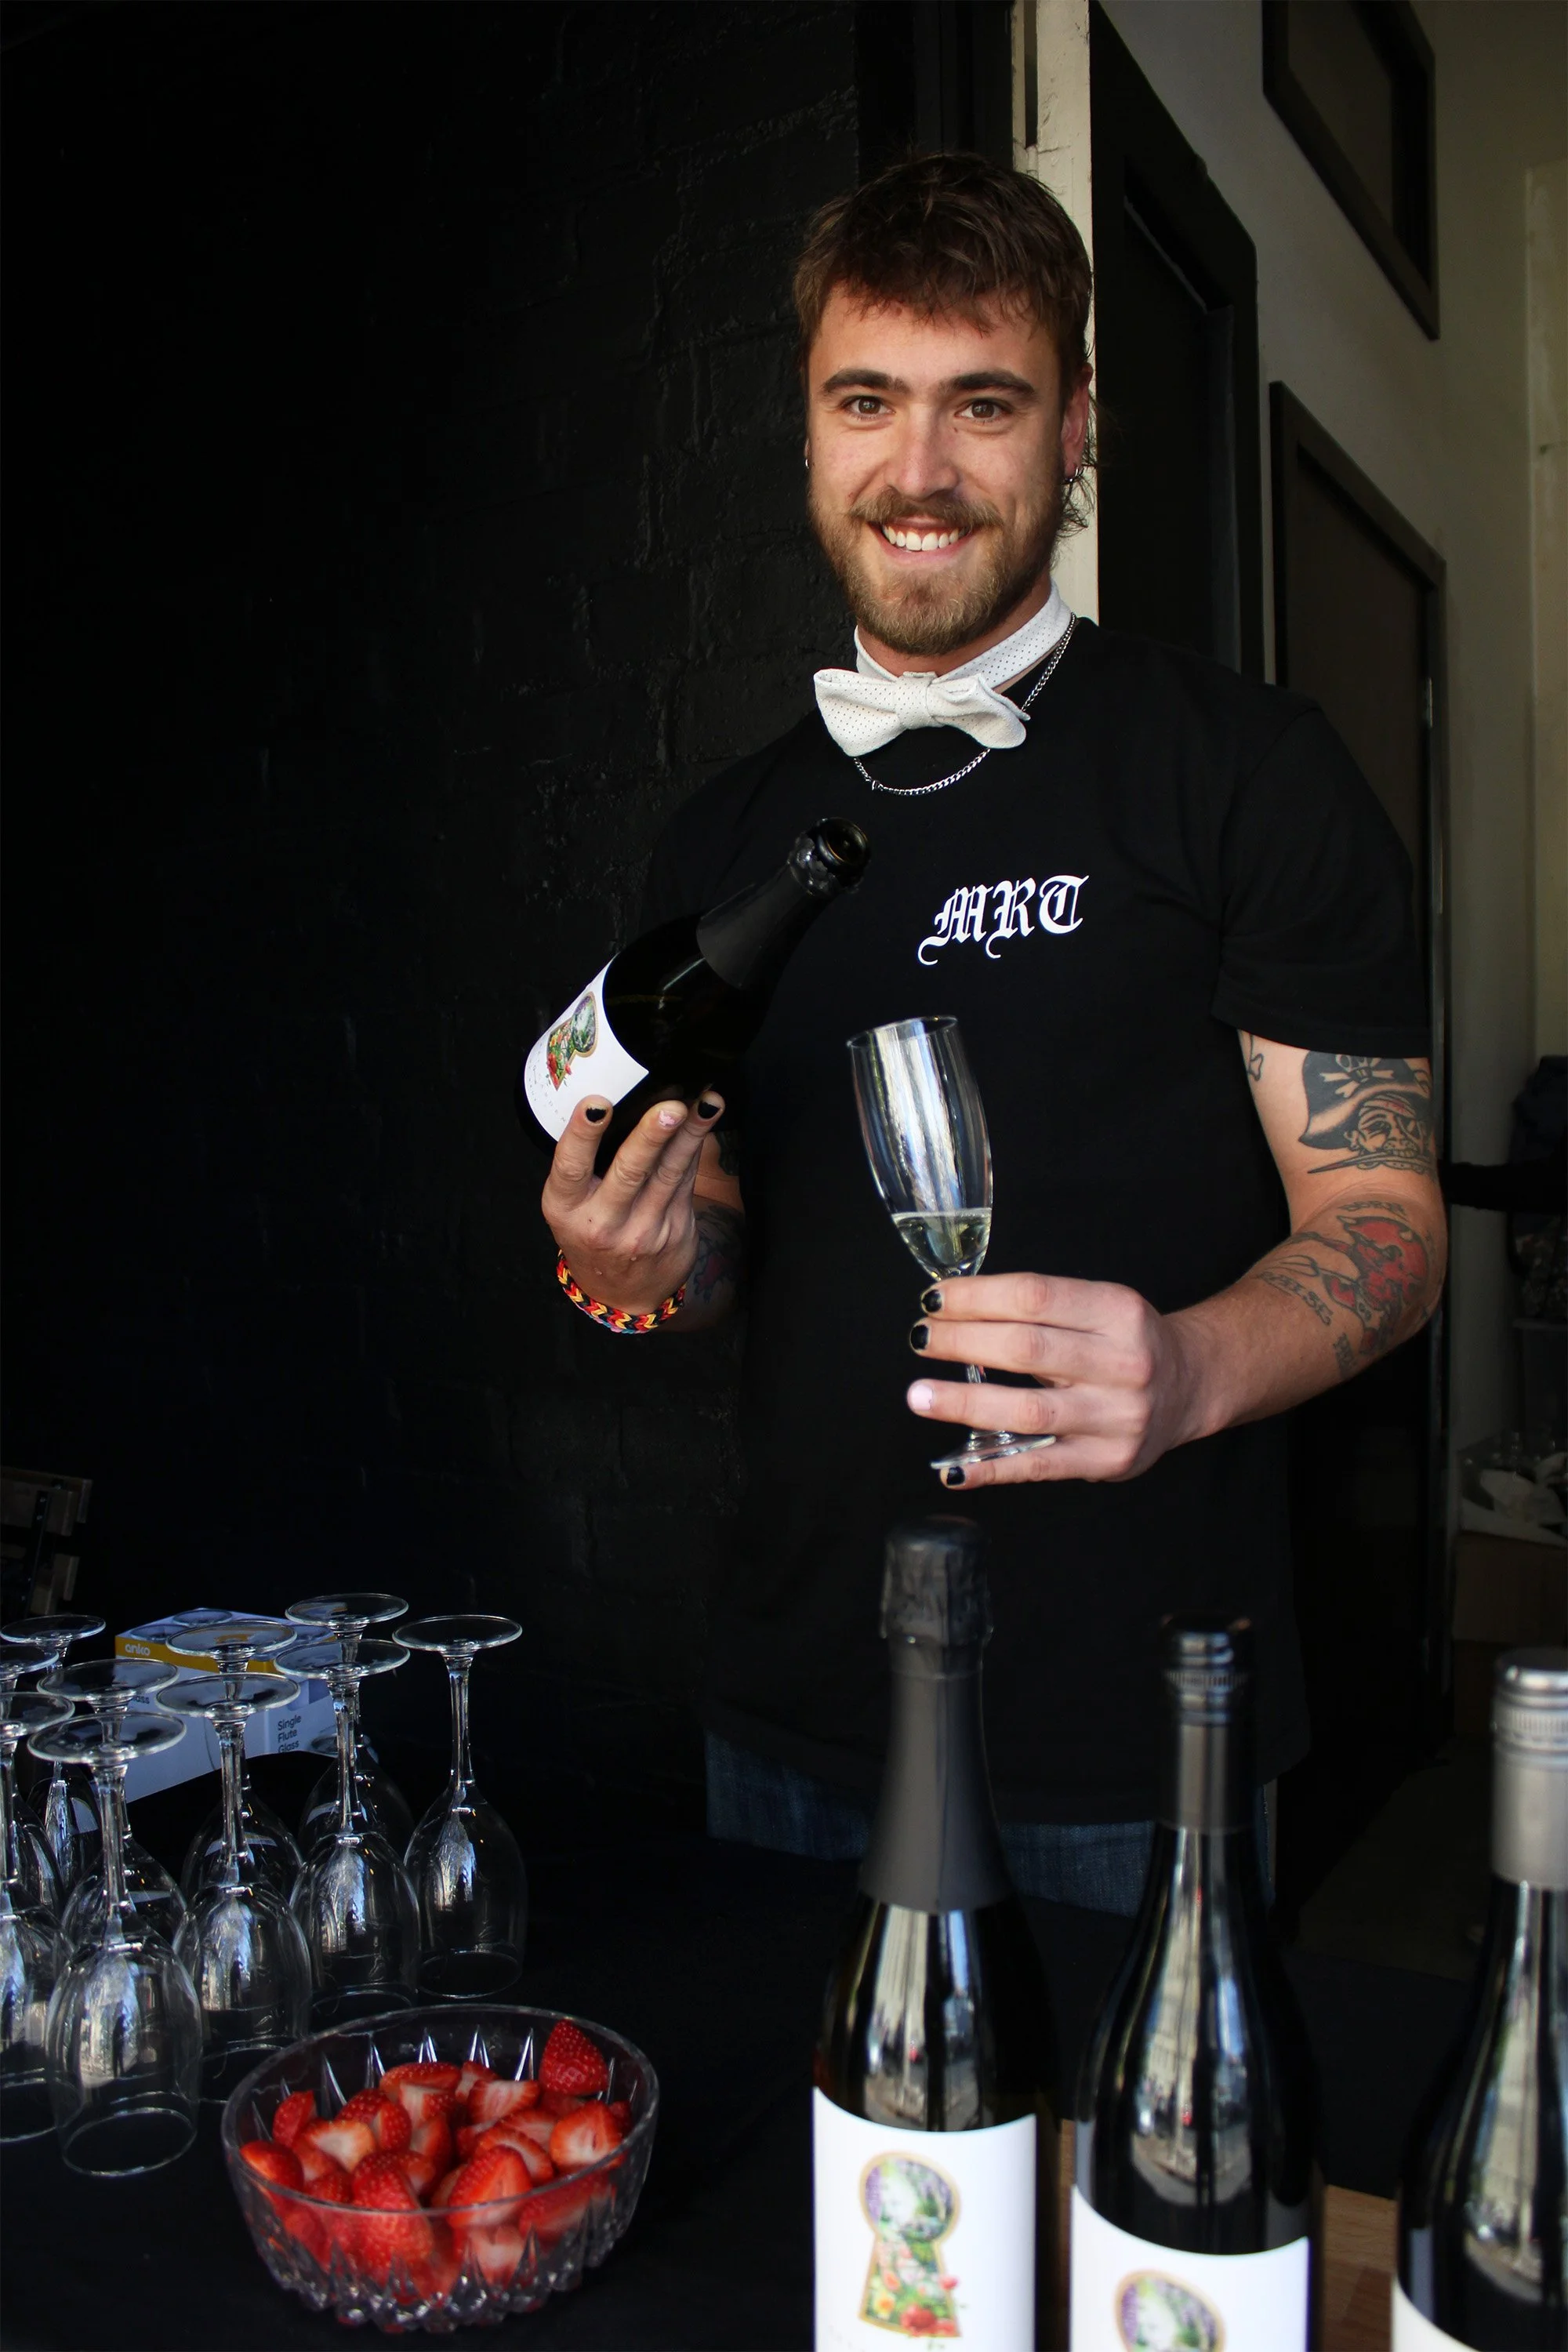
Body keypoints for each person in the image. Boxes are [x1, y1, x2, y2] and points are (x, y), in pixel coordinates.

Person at [539, 153, 1446, 1914]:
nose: (922, 472)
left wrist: (1186, 1366)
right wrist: (625, 1261)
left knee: (1137, 2189)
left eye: (987, 404)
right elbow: (710, 1245)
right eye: (866, 402)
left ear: (1077, 426)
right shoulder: (721, 841)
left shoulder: (1245, 773)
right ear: (808, 433)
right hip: (796, 1711)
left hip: (1139, 1725)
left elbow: (1387, 1231)